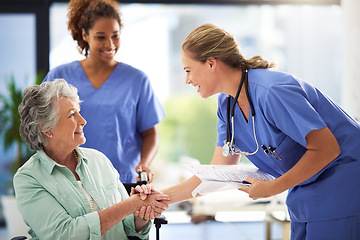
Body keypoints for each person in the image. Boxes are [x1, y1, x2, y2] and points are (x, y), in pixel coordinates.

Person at [157, 24, 360, 239]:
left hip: (342, 186)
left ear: (210, 63)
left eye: (188, 70)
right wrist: (161, 197)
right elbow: (217, 172)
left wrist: (273, 187)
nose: (187, 79)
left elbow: (327, 148)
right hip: (304, 195)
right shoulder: (226, 105)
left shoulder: (273, 91)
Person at [14, 79, 169, 240]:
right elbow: (65, 235)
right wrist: (130, 204)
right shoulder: (28, 179)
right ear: (46, 127)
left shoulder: (99, 160)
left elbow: (128, 226)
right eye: (72, 114)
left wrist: (141, 214)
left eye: (79, 112)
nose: (83, 121)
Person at [43, 0, 165, 183]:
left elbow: (150, 134)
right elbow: (43, 126)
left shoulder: (137, 80)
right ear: (85, 34)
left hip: (122, 180)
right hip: (71, 179)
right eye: (101, 37)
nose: (110, 44)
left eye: (115, 36)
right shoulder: (60, 76)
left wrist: (145, 163)